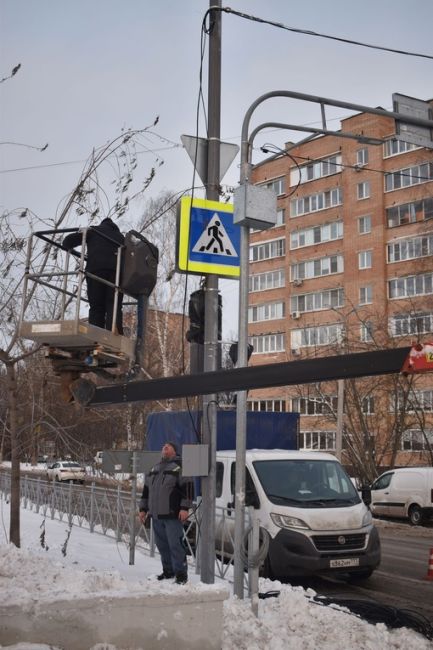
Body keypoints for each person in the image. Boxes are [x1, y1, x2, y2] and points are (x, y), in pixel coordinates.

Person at [139, 441, 193, 584]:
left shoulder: (180, 467)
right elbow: (146, 491)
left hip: (172, 515)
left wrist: (184, 508)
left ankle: (181, 575)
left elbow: (188, 488)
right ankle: (168, 571)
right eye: (163, 446)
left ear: (174, 451)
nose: (164, 447)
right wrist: (143, 509)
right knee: (162, 545)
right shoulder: (155, 468)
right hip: (156, 515)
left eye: (168, 446)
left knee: (175, 545)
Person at [63, 217, 124, 333]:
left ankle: (96, 332)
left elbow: (67, 241)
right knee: (113, 304)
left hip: (95, 270)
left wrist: (68, 246)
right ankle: (115, 331)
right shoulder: (122, 238)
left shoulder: (93, 231)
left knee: (96, 305)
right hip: (115, 273)